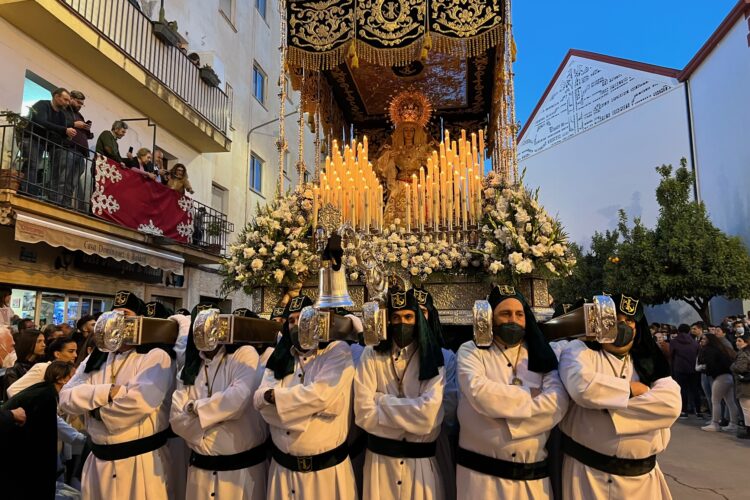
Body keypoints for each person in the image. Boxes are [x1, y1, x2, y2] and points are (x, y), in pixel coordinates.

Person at [558, 294, 679, 499]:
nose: (622, 326)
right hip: (590, 477)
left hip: (643, 481)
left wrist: (606, 403)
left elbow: (670, 406)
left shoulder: (648, 361)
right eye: (614, 320)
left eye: (629, 321)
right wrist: (632, 391)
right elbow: (584, 389)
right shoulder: (579, 351)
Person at [59, 290, 176, 499]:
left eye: (126, 316)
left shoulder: (156, 356)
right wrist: (108, 392)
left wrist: (91, 409)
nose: (118, 321)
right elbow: (66, 397)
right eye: (115, 314)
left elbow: (138, 404)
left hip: (139, 463)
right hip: (98, 461)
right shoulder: (97, 358)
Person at [456, 285, 567, 500]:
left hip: (533, 480)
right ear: (491, 317)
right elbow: (480, 394)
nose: (513, 320)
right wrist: (530, 395)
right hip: (481, 480)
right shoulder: (471, 350)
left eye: (519, 314)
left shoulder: (542, 353)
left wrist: (499, 413)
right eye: (505, 314)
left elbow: (558, 404)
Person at [254, 294, 357, 499]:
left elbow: (320, 396)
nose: (296, 325)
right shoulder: (280, 358)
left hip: (326, 475)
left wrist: (277, 402)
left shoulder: (336, 351)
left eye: (302, 318)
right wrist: (310, 411)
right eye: (291, 321)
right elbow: (259, 401)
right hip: (282, 472)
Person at [354, 288, 446, 500]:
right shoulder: (372, 354)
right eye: (395, 317)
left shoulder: (433, 355)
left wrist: (380, 400)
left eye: (408, 316)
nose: (401, 322)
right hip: (380, 465)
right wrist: (412, 409)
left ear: (418, 319)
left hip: (420, 467)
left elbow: (428, 417)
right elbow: (362, 414)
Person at [171, 306, 270, 499]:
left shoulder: (243, 355)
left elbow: (237, 402)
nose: (205, 332)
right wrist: (217, 418)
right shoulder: (189, 369)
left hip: (239, 474)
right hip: (200, 473)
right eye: (199, 327)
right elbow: (176, 419)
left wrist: (194, 408)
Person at [1, 361, 76, 499]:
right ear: (61, 379)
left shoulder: (43, 391)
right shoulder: (46, 397)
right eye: (74, 377)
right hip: (21, 462)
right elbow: (44, 441)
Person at [7, 336, 78, 397]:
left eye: (75, 351)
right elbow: (13, 391)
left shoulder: (72, 371)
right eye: (71, 351)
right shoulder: (43, 368)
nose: (75, 355)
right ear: (57, 354)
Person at [699, 333, 740, 432]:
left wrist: (704, 369)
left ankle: (715, 423)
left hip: (720, 377)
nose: (702, 340)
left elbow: (710, 365)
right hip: (729, 376)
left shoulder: (710, 350)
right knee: (730, 401)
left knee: (715, 400)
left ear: (710, 340)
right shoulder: (722, 349)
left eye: (704, 338)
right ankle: (734, 423)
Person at [670, 324, 703, 418]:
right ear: (689, 331)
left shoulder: (674, 342)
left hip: (679, 368)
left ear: (678, 331)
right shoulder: (694, 342)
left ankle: (684, 411)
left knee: (682, 390)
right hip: (693, 369)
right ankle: (698, 411)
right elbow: (698, 355)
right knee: (695, 390)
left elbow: (671, 355)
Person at [1, 329, 46, 398]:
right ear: (28, 343)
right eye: (39, 341)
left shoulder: (42, 365)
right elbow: (14, 397)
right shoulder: (13, 371)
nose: (44, 345)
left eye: (44, 341)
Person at [730, 333, 750, 438]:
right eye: (737, 340)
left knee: (746, 409)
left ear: (746, 342)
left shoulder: (743, 354)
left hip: (744, 384)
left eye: (739, 341)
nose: (737, 343)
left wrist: (732, 366)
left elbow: (739, 368)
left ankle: (748, 430)